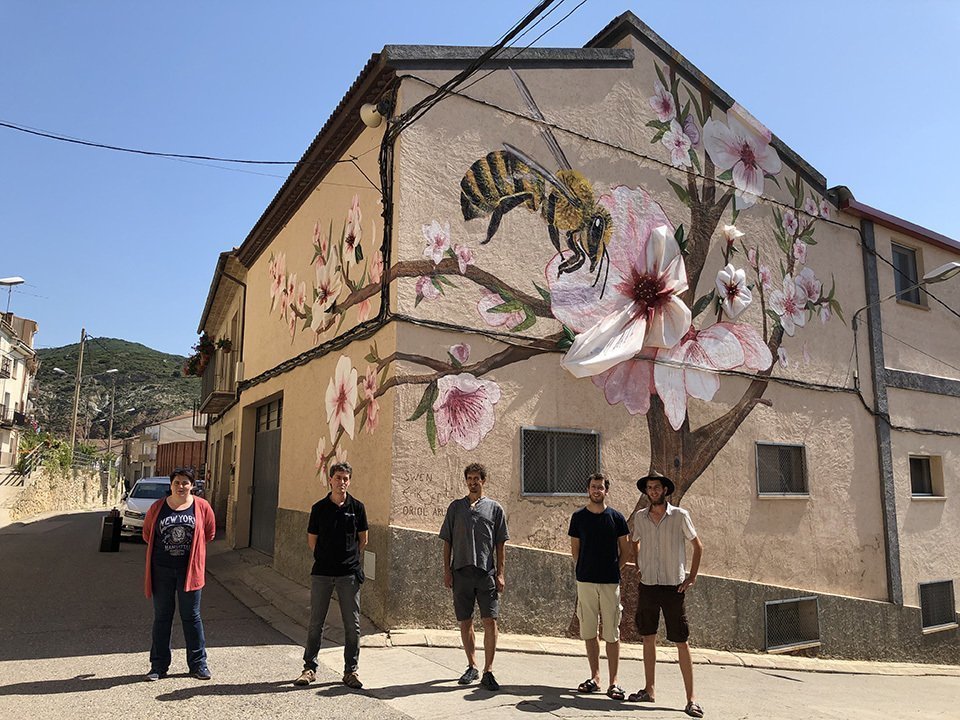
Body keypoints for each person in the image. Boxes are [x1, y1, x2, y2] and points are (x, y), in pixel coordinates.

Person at [627, 471, 704, 718]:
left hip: (674, 587)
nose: (653, 491)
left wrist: (691, 577)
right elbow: (634, 541)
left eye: (657, 487)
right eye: (649, 488)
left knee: (681, 641)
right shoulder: (640, 517)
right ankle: (649, 690)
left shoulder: (680, 516)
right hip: (648, 585)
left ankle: (691, 699)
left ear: (665, 490)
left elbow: (697, 546)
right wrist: (638, 564)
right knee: (648, 637)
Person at [294, 461, 368, 689]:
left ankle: (350, 671)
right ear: (330, 480)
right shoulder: (319, 509)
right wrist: (326, 558)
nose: (342, 482)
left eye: (346, 478)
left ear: (349, 481)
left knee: (352, 625)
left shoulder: (358, 507)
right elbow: (311, 541)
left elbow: (363, 539)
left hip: (349, 575)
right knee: (316, 622)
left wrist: (349, 560)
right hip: (323, 574)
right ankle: (309, 668)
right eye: (338, 478)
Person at [142, 467, 216, 681]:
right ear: (171, 485)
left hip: (189, 571)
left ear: (192, 485)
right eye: (177, 482)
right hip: (161, 570)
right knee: (162, 617)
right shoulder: (157, 507)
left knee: (191, 617)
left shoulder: (202, 507)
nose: (181, 486)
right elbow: (148, 535)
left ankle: (198, 664)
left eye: (185, 482)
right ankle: (158, 666)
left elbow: (208, 533)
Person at [439, 463, 508, 691]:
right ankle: (472, 665)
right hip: (461, 573)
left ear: (483, 481)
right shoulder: (456, 508)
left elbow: (500, 544)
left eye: (476, 478)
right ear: (466, 481)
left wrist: (500, 573)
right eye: (469, 478)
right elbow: (447, 540)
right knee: (465, 620)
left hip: (485, 574)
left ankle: (488, 670)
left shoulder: (495, 509)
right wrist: (447, 571)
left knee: (490, 620)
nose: (473, 482)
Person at [568, 473, 630, 700]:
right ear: (588, 490)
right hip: (585, 581)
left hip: (610, 582)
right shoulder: (578, 518)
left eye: (600, 487)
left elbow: (626, 551)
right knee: (589, 630)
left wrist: (613, 569)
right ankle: (595, 677)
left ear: (606, 491)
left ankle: (614, 682)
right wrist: (585, 568)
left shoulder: (617, 518)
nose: (597, 490)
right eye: (593, 487)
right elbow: (575, 550)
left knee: (612, 632)